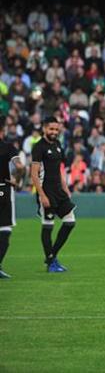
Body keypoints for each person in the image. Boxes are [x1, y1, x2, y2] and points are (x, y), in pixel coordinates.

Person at [30, 117, 77, 273]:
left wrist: (66, 188)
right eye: (51, 129)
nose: (54, 132)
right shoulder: (38, 147)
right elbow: (34, 174)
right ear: (44, 128)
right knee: (48, 226)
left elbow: (59, 170)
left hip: (59, 191)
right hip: (46, 191)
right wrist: (41, 195)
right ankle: (51, 263)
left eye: (56, 129)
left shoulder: (57, 145)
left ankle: (51, 257)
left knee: (70, 221)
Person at [0, 117, 25, 279]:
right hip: (3, 189)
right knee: (5, 230)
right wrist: (16, 179)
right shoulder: (8, 147)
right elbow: (20, 167)